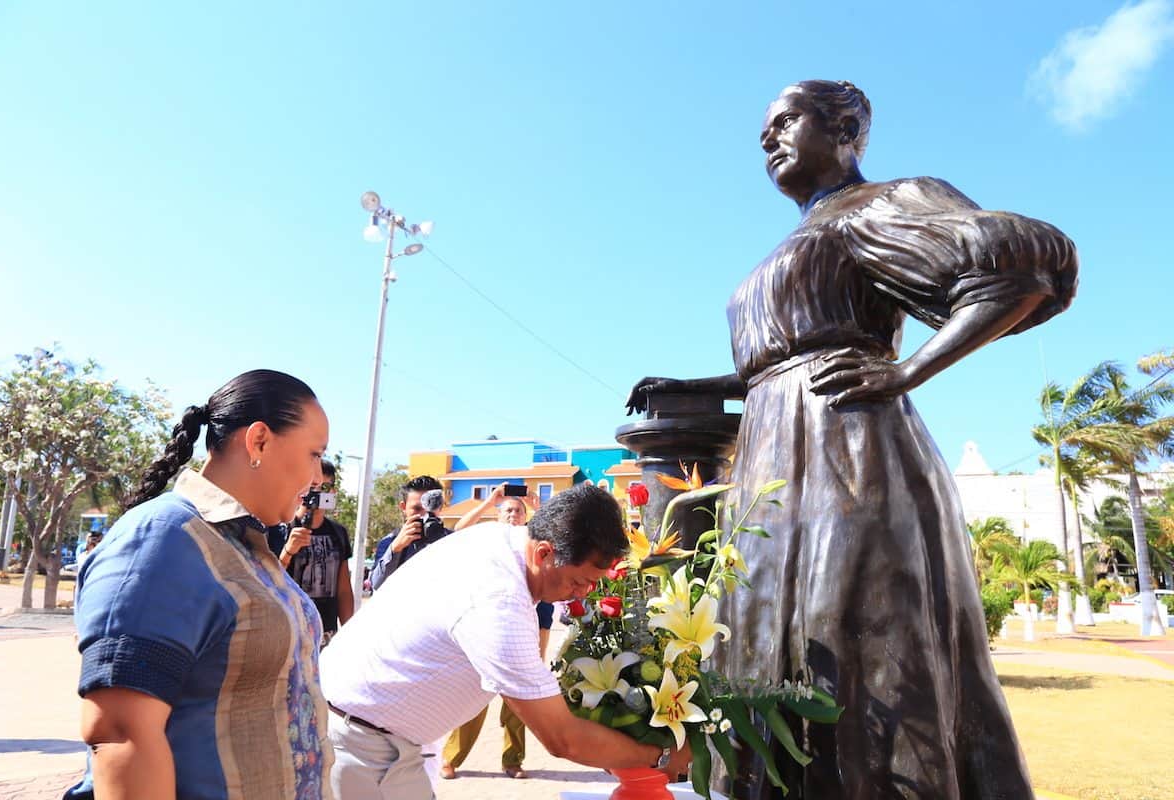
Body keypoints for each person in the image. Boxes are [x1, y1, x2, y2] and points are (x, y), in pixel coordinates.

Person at [626, 80, 1077, 798]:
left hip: (850, 453)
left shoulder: (885, 203)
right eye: (762, 135)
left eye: (786, 122)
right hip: (772, 460)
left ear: (845, 129)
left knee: (857, 640)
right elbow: (785, 356)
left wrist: (910, 370)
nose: (771, 141)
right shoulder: (803, 236)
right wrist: (696, 388)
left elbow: (1020, 270)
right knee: (770, 639)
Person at [319, 483, 690, 800]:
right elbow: (562, 739)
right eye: (579, 582)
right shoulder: (499, 600)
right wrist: (658, 756)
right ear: (544, 552)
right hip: (363, 745)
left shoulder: (501, 540)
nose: (583, 593)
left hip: (379, 737)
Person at [65, 370, 335, 800]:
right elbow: (118, 732)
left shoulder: (246, 544)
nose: (318, 476)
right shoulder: (166, 537)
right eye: (314, 453)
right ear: (259, 440)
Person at [440, 484, 550, 780]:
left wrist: (536, 506)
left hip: (528, 620)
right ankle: (451, 758)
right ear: (498, 516)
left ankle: (513, 761)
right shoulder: (487, 537)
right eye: (508, 510)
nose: (513, 515)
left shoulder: (533, 537)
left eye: (518, 511)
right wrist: (490, 502)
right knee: (474, 695)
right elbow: (460, 529)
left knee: (520, 700)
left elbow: (558, 537)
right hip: (489, 621)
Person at [268, 459, 355, 641]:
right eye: (312, 486)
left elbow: (344, 590)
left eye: (324, 487)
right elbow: (267, 580)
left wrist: (349, 634)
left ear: (333, 492)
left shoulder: (338, 533)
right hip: (288, 627)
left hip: (326, 632)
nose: (317, 493)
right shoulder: (279, 528)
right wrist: (288, 552)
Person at [366, 475, 451, 591]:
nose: (425, 515)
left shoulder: (452, 541)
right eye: (417, 509)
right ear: (403, 507)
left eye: (431, 508)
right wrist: (395, 549)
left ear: (440, 507)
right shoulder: (390, 542)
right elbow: (376, 585)